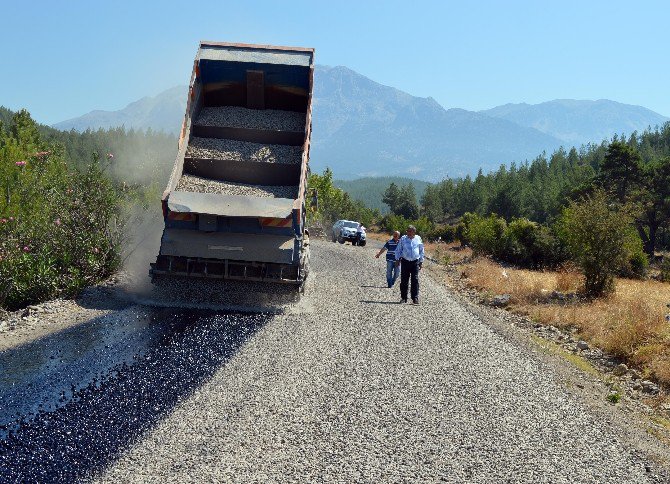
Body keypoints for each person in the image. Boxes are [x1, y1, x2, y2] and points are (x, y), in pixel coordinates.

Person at [395, 225, 424, 304]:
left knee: (415, 280)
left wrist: (421, 261)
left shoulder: (418, 238)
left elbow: (421, 250)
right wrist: (397, 259)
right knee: (404, 280)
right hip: (405, 261)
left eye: (410, 231)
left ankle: (415, 298)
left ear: (414, 232)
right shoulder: (403, 239)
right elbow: (398, 249)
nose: (408, 232)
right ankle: (403, 298)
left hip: (415, 262)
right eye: (407, 231)